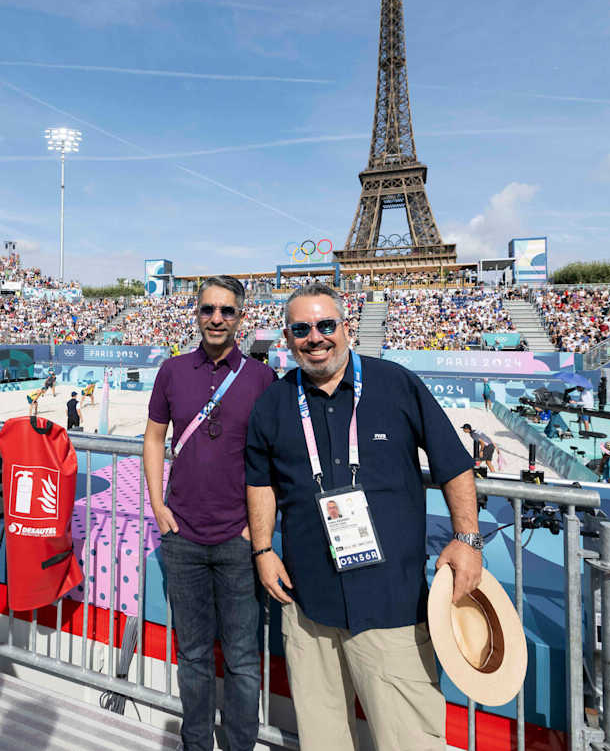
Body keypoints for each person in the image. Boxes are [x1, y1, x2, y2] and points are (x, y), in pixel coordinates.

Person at [246, 283, 482, 751]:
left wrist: (467, 539)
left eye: (325, 325)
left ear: (347, 327)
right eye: (301, 329)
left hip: (390, 600)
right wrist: (263, 548)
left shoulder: (396, 383)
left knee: (410, 739)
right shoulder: (273, 402)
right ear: (288, 340)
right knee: (321, 736)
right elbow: (261, 482)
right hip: (307, 599)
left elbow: (454, 463)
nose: (315, 338)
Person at [142, 275, 276, 751]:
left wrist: (253, 528)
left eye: (227, 311)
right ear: (196, 313)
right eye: (208, 310)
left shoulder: (262, 379)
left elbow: (273, 458)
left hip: (239, 541)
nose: (217, 318)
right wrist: (158, 505)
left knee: (242, 659)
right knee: (194, 655)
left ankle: (239, 745)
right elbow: (154, 437)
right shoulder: (172, 371)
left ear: (241, 317)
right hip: (182, 537)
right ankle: (195, 744)